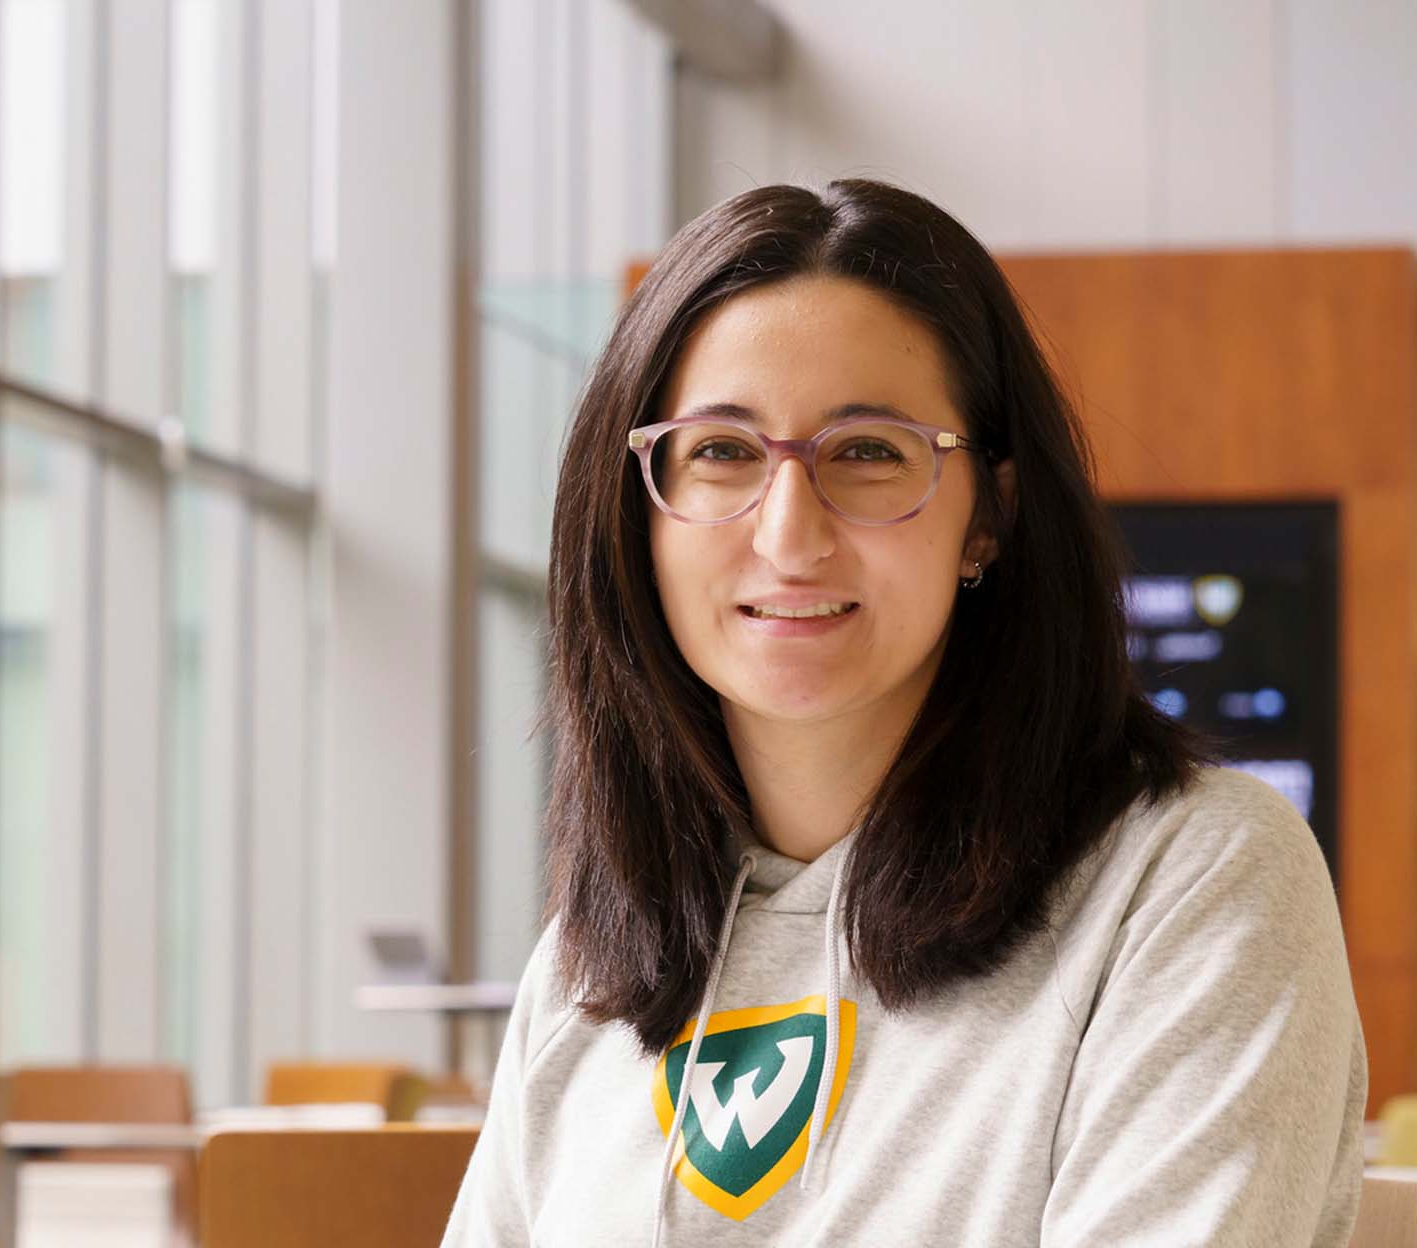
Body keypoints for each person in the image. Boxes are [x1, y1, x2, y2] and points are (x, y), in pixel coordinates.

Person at [441, 179, 1366, 1246]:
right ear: (634, 517)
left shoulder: (1190, 883)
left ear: (989, 518)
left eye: (869, 452)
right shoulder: (584, 969)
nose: (787, 536)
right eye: (721, 452)